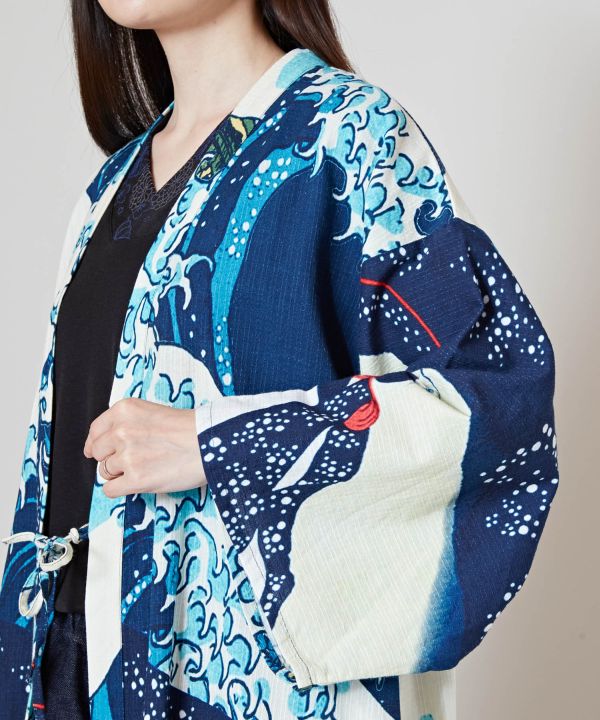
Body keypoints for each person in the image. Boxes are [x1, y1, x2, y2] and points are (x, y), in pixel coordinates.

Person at [0, 1, 560, 719]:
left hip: (246, 687)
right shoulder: (110, 186)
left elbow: (500, 407)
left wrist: (220, 442)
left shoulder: (351, 135)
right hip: (65, 670)